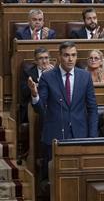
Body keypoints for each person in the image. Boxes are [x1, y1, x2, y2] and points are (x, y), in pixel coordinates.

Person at [28, 41, 98, 181]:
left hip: (80, 134)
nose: (70, 59)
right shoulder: (47, 77)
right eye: (66, 55)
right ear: (59, 56)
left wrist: (92, 137)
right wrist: (35, 94)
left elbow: (92, 109)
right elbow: (40, 109)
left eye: (73, 55)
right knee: (54, 179)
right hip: (55, 135)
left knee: (79, 177)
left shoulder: (84, 76)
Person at [19, 47, 54, 123]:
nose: (44, 61)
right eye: (40, 58)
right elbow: (24, 92)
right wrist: (42, 79)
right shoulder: (28, 72)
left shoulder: (55, 72)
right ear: (35, 61)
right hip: (33, 105)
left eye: (46, 58)